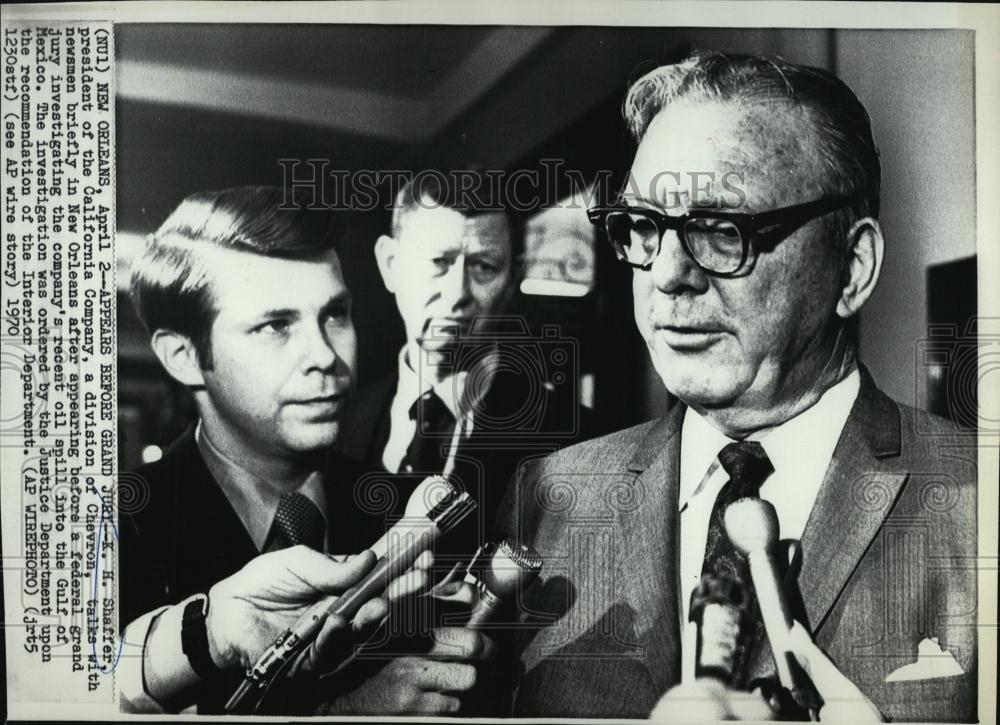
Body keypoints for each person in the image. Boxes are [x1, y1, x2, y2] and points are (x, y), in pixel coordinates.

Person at [496, 51, 977, 722]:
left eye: (724, 229)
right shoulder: (549, 494)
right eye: (643, 226)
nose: (667, 275)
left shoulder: (979, 503)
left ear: (853, 267)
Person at [120, 186, 492, 714]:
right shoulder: (111, 530)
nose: (326, 355)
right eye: (276, 326)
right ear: (183, 357)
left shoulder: (409, 516)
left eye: (335, 315)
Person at [336, 171, 590, 561]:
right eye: (439, 262)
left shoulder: (576, 443)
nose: (457, 295)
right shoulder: (335, 424)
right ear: (390, 264)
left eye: (483, 267)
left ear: (512, 280)